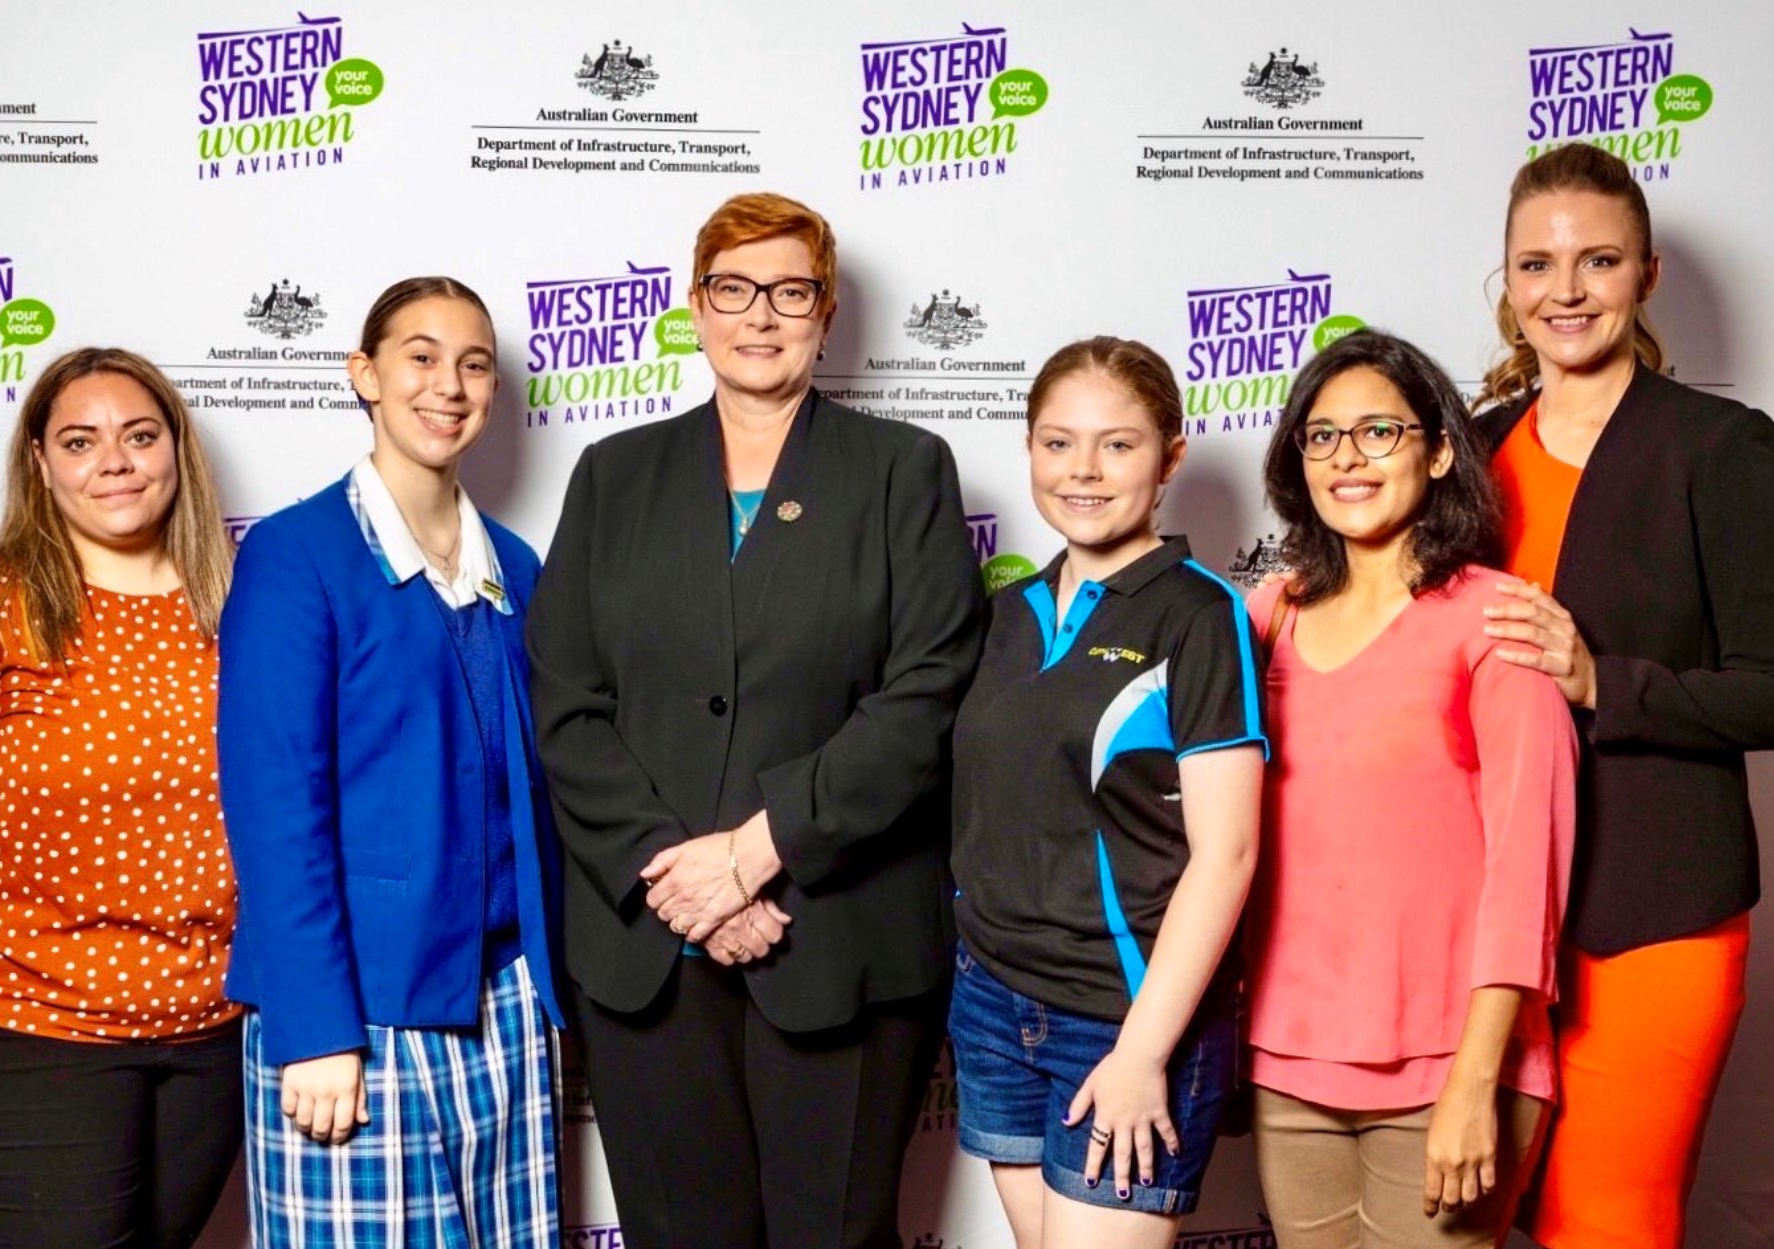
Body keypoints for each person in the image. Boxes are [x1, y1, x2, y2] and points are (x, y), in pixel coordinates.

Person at [526, 192, 984, 1249]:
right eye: (734, 289)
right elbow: (566, 698)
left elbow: (922, 697)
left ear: (825, 315)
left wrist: (754, 853)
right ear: (696, 307)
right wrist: (684, 877)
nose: (761, 316)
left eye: (790, 292)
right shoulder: (615, 474)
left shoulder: (902, 472)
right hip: (650, 939)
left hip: (841, 936)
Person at [217, 277, 564, 1248]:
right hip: (359, 1011)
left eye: (473, 363)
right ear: (364, 374)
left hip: (505, 1009)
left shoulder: (518, 565)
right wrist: (314, 1025)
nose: (447, 384)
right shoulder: (296, 554)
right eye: (419, 355)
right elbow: (274, 809)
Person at [1472, 142, 1774, 1249]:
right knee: (1468, 1219)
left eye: (1598, 261)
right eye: (1537, 265)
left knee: (1606, 1220)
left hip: (1653, 913)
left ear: (1645, 276)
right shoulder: (1472, 453)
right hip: (1494, 915)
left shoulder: (1722, 448)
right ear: (1505, 283)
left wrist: (1606, 680)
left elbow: (1770, 689)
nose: (1566, 291)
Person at [0, 347, 240, 1248]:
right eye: (80, 441)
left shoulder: (244, 600)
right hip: (24, 1026)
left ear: (177, 447)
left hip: (210, 1031)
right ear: (42, 464)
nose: (114, 461)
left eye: (138, 435)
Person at [1246, 329, 1577, 1248]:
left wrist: (1477, 1078)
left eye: (1378, 432)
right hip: (1288, 1058)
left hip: (1450, 1061)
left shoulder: (1494, 618)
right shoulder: (1264, 615)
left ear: (1436, 451)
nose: (1346, 457)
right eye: (1321, 436)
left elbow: (1527, 867)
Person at [948, 337, 1266, 1249]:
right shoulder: (1004, 614)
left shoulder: (1200, 616)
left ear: (1168, 458)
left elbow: (1228, 852)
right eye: (1057, 443)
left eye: (1117, 445)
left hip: (1121, 1015)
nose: (1082, 470)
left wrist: (1142, 1052)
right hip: (992, 1001)